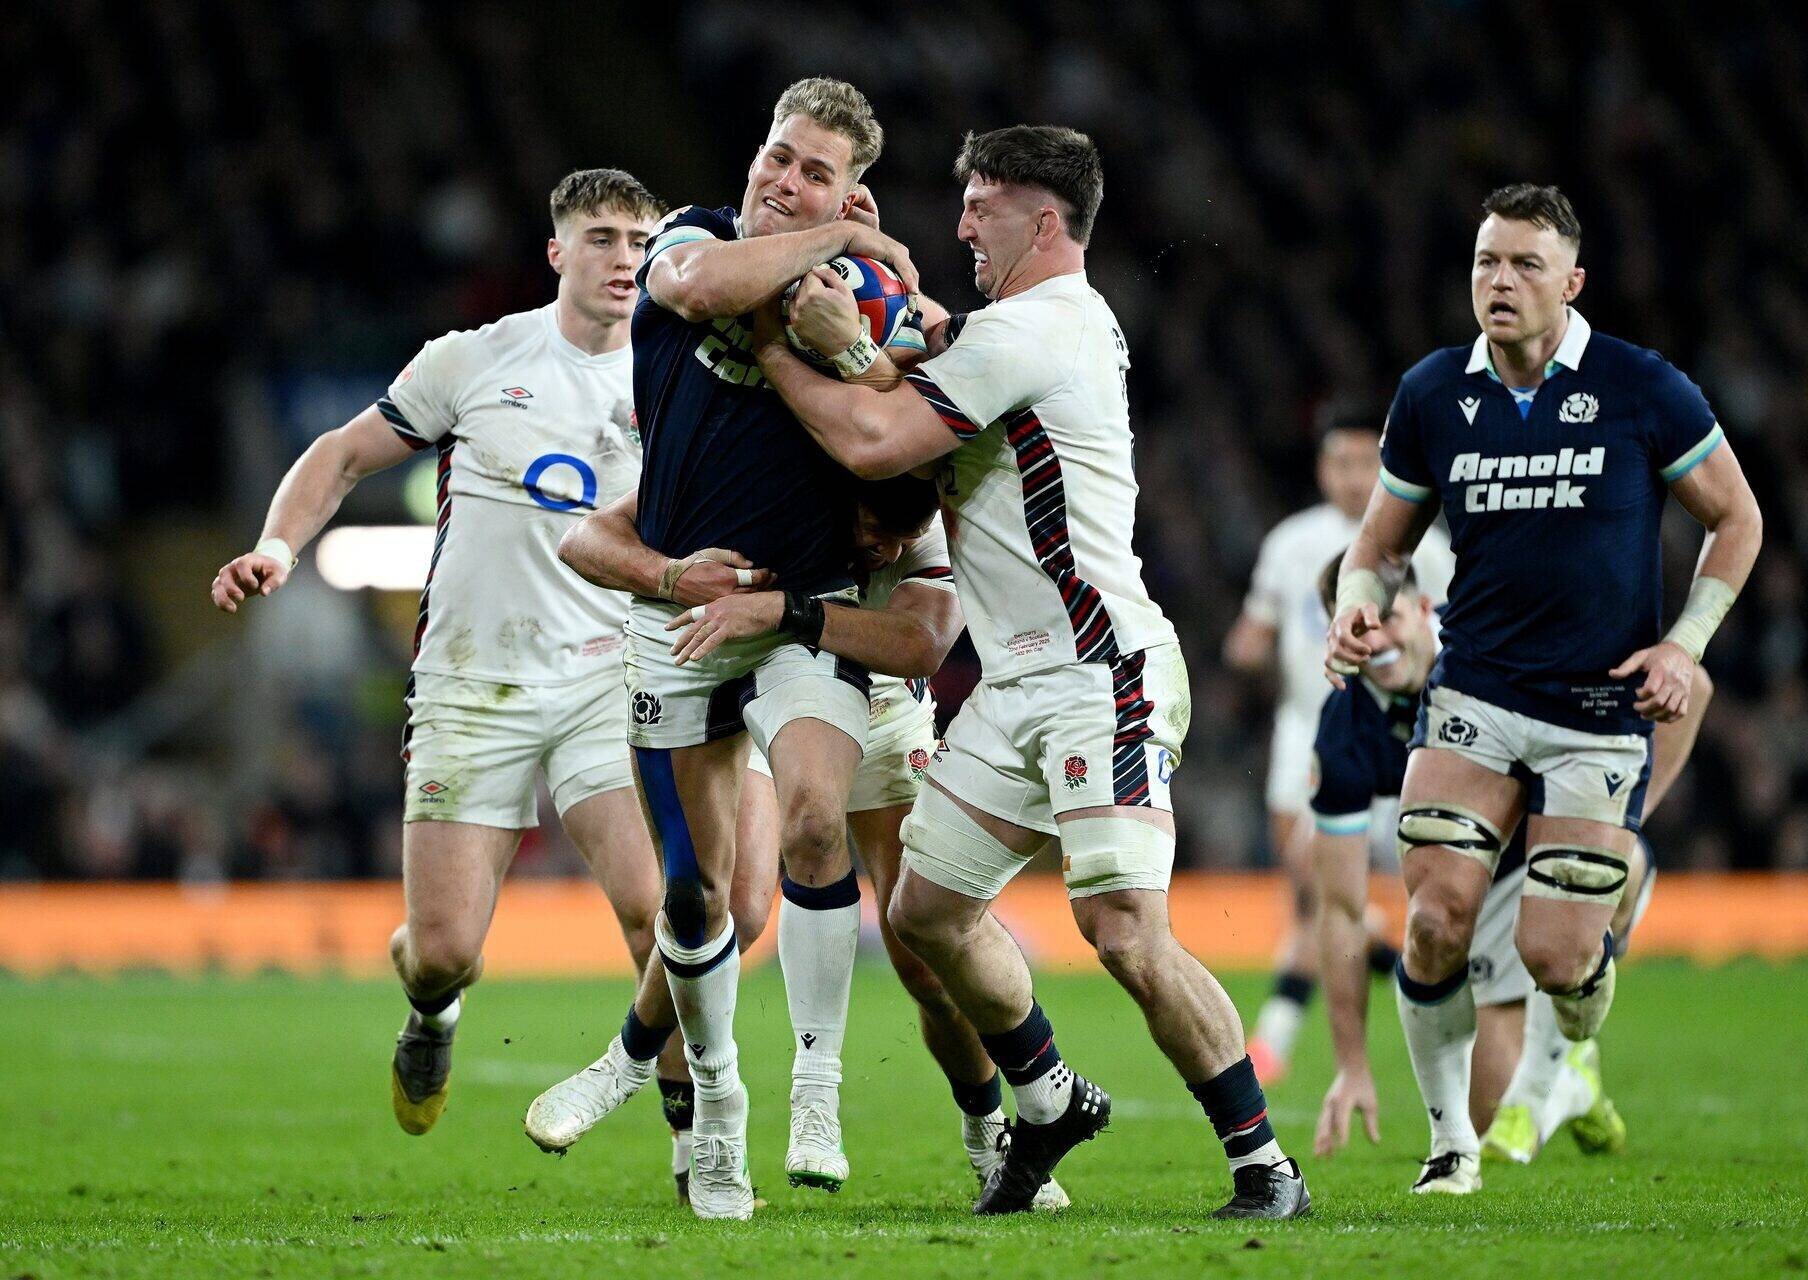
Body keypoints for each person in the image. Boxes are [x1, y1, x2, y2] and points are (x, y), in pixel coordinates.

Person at [747, 124, 1310, 1221]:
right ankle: (1049, 1098)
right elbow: (936, 355)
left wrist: (776, 341)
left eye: (980, 205)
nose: (960, 224)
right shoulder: (1025, 328)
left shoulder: (1041, 327)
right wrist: (897, 307)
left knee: (1122, 930)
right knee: (923, 910)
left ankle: (1264, 1164)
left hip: (1102, 668)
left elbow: (874, 441)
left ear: (1042, 221)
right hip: (1012, 684)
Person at [209, 169, 673, 1137]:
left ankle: (697, 1142)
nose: (624, 258)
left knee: (660, 914)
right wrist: (276, 545)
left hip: (608, 675)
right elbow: (339, 453)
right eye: (602, 238)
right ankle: (433, 1006)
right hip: (474, 682)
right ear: (557, 252)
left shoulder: (673, 381)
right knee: (443, 949)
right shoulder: (476, 359)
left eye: (639, 240)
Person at [1325, 183, 1763, 1194]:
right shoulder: (1435, 392)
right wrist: (1357, 600)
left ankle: (1569, 1057)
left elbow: (1736, 518)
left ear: (1572, 281)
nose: (1501, 282)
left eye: (1525, 264)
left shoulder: (1642, 386)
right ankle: (1450, 1145)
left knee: (1558, 956)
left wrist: (1686, 643)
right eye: (1486, 262)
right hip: (1476, 691)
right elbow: (1377, 545)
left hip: (1599, 709)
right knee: (1434, 917)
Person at [528, 478, 1066, 1209]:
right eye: (878, 526)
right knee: (738, 904)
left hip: (882, 710)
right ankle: (628, 1062)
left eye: (907, 538)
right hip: (768, 685)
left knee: (927, 959)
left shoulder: (927, 523)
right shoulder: (768, 480)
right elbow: (584, 537)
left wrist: (794, 609)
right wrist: (671, 574)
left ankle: (988, 1132)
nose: (892, 549)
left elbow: (924, 643)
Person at [589, 76, 925, 1221]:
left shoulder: (866, 298)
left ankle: (815, 1088)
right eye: (779, 158)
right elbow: (691, 285)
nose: (784, 182)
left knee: (820, 820)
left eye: (816, 172)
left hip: (800, 606)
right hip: (683, 616)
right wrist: (839, 234)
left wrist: (877, 325)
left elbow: (917, 446)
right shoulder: (693, 238)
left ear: (855, 185)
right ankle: (717, 1108)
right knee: (693, 896)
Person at [1303, 554, 1711, 1163]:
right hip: (1481, 883)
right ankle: (1574, 1076)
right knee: (1491, 1114)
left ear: (1422, 609)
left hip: (1560, 844)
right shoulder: (1344, 730)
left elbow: (1693, 687)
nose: (1377, 640)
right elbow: (1338, 909)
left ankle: (1559, 1049)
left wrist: (1614, 822)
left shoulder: (1498, 642)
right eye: (1357, 629)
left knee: (1615, 869)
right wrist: (1352, 1065)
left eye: (1385, 619)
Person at [1226, 411, 1452, 1085]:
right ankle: (1281, 1035)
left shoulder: (1427, 547)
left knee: (1330, 882)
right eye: (1341, 463)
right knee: (1310, 892)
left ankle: (1292, 1026)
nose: (1354, 478)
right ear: (1322, 469)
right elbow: (1256, 632)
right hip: (1306, 728)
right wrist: (1244, 649)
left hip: (1405, 735)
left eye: (1366, 463)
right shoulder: (1291, 542)